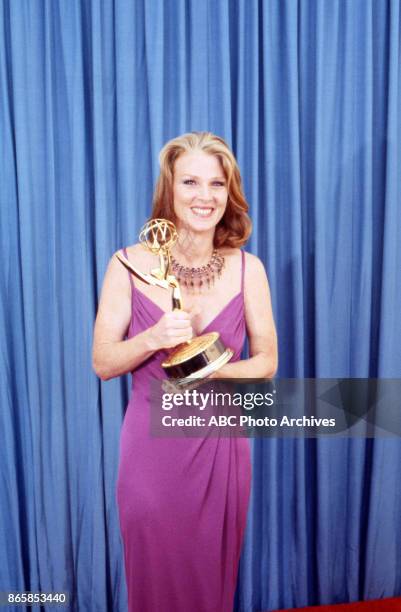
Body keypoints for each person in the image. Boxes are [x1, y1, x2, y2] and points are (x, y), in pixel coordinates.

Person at [92, 131, 278, 611]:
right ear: (169, 191)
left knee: (211, 580)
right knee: (154, 570)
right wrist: (154, 339)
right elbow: (102, 362)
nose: (205, 196)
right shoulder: (128, 265)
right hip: (151, 452)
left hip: (221, 447)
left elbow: (267, 363)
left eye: (217, 185)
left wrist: (211, 369)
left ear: (229, 193)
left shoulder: (248, 269)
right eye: (191, 182)